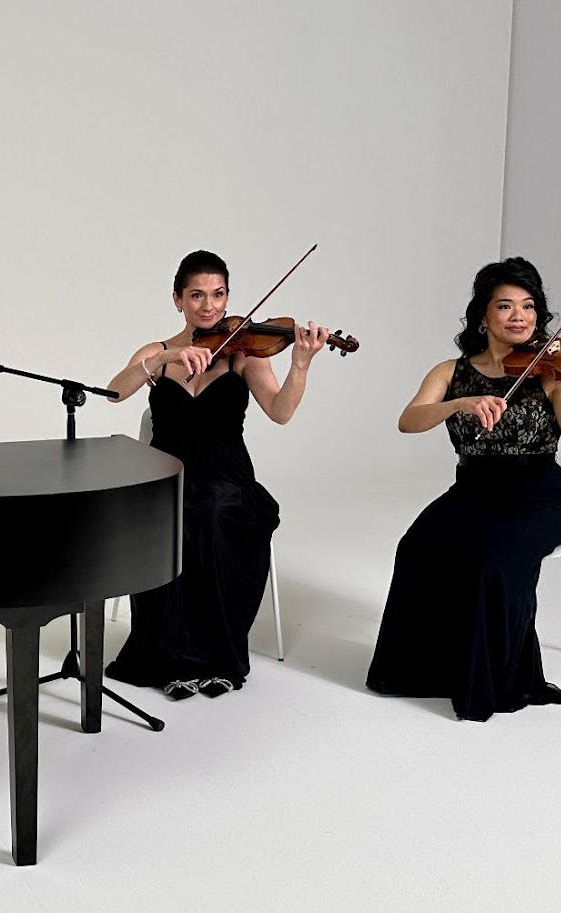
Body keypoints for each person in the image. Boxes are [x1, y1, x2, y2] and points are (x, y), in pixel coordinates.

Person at [102, 251, 330, 699]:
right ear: (177, 299)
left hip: (228, 478)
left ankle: (216, 655)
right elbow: (113, 392)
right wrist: (168, 354)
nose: (209, 306)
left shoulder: (244, 351)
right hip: (165, 475)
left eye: (218, 294)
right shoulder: (157, 354)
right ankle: (170, 654)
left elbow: (280, 411)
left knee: (209, 513)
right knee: (167, 516)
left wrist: (301, 364)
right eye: (197, 295)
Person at [367, 257, 561, 721]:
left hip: (541, 491)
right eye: (506, 306)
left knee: (495, 563)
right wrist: (460, 403)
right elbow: (409, 421)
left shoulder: (549, 369)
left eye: (529, 306)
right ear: (483, 316)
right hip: (475, 488)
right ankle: (430, 671)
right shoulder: (450, 371)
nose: (520, 316)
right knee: (417, 548)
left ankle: (505, 678)